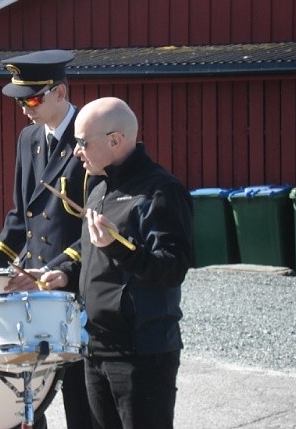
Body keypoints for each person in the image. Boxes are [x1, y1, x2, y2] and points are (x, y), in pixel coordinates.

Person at [33, 97, 193, 429]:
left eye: (82, 142)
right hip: (96, 345)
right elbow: (90, 249)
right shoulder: (99, 185)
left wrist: (120, 248)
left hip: (140, 352)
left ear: (115, 140)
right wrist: (63, 272)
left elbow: (173, 267)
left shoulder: (160, 191)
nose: (76, 152)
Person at [0, 49, 94, 428]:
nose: (24, 109)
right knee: (28, 395)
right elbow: (22, 214)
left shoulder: (88, 136)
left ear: (60, 92)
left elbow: (96, 225)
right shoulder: (29, 137)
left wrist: (56, 270)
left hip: (73, 281)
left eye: (32, 99)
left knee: (80, 398)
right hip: (34, 286)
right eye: (20, 100)